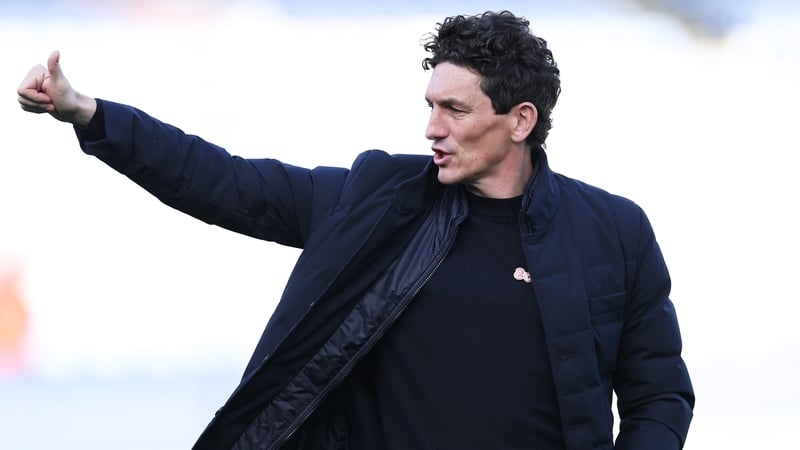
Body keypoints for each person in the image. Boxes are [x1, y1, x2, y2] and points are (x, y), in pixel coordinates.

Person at [18, 10, 694, 450]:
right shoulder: (378, 198)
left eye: (455, 110)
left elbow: (659, 394)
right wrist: (88, 113)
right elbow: (227, 183)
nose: (431, 128)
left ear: (520, 120)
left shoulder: (614, 232)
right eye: (429, 106)